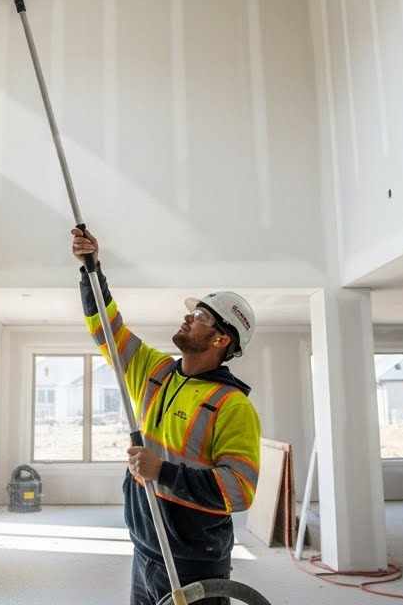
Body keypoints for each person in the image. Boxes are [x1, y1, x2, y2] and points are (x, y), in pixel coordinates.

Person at [71, 228, 261, 605]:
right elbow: (108, 331)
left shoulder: (232, 405)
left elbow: (240, 491)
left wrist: (163, 472)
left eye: (202, 316)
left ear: (221, 339)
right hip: (146, 547)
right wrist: (92, 270)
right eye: (192, 312)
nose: (189, 318)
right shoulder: (155, 371)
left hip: (193, 561)